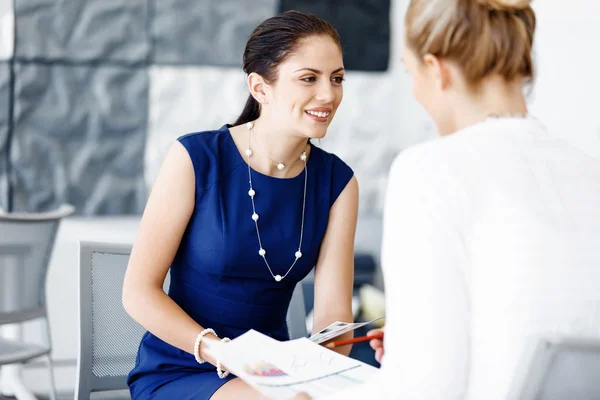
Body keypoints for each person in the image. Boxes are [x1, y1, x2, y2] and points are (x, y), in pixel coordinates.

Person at [321, 0, 600, 399]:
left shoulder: (429, 170)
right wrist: (410, 346)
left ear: (436, 70)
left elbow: (426, 390)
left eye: (410, 71)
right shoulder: (590, 171)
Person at [122, 10, 358, 400]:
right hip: (182, 366)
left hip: (273, 375)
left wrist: (316, 370)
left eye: (336, 78)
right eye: (308, 79)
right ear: (260, 88)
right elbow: (138, 292)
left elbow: (334, 317)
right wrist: (223, 353)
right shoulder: (195, 158)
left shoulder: (338, 182)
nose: (328, 94)